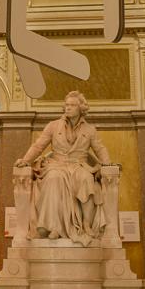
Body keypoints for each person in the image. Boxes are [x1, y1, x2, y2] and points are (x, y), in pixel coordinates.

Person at [15, 91, 112, 245]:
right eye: (66, 105)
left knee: (86, 179)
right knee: (54, 178)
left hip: (79, 165)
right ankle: (53, 227)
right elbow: (38, 146)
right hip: (57, 164)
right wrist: (26, 160)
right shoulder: (53, 126)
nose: (68, 108)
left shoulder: (90, 130)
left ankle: (86, 223)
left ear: (81, 108)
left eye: (72, 105)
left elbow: (100, 148)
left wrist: (107, 163)